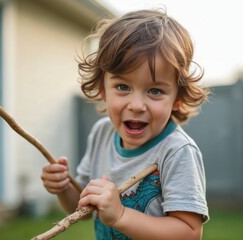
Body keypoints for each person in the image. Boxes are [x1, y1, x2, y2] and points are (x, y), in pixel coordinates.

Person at [41, 8, 210, 240]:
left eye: (155, 90)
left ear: (178, 98)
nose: (137, 105)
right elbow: (82, 209)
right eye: (123, 87)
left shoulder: (177, 151)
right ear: (102, 88)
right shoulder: (102, 133)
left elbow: (190, 233)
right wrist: (63, 188)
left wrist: (120, 216)